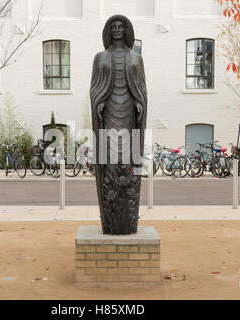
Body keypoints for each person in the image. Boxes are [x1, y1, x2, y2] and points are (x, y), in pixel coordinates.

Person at [90, 14, 147, 234]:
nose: (116, 30)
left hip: (130, 114)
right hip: (109, 112)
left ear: (126, 31)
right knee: (110, 157)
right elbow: (95, 87)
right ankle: (110, 214)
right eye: (112, 26)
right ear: (108, 31)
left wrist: (139, 103)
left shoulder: (136, 58)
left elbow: (141, 88)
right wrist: (99, 102)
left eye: (120, 26)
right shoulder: (100, 58)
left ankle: (129, 215)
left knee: (128, 157)